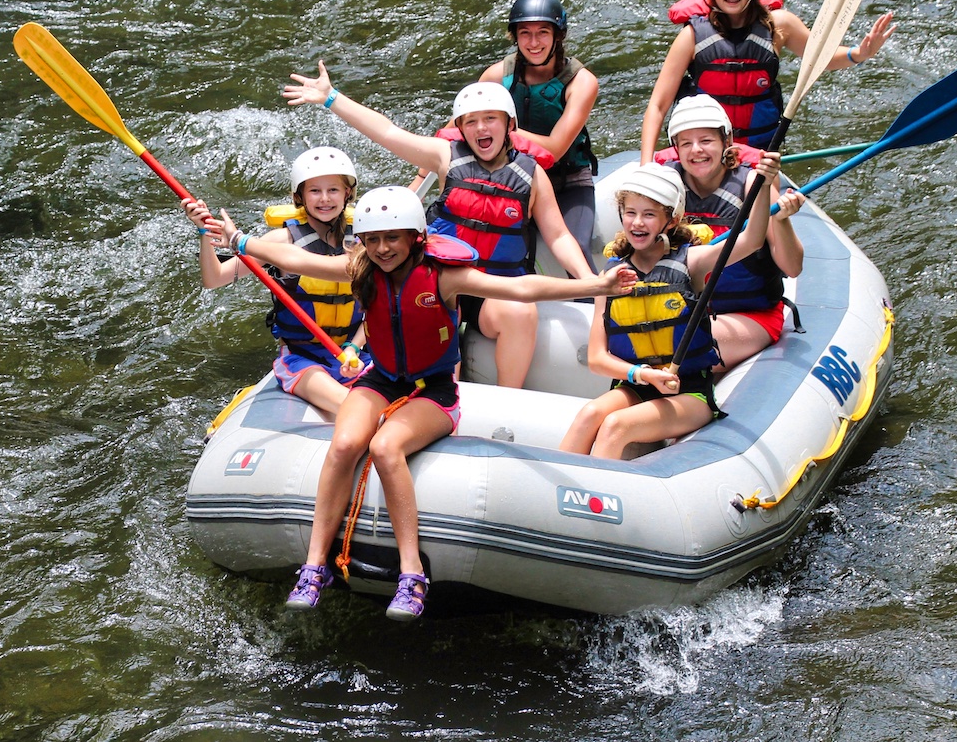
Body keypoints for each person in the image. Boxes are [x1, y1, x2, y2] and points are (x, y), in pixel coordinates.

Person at [207, 185, 636, 619]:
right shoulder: (361, 268)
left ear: (415, 236)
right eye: (372, 239)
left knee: (385, 447)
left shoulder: (444, 276)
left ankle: (412, 574)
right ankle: (315, 566)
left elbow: (521, 289)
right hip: (382, 380)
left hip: (433, 391)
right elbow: (301, 260)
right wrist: (240, 241)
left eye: (392, 237)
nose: (382, 248)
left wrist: (596, 284)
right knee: (343, 445)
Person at [284, 66, 597, 390]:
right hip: (442, 280)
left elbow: (559, 236)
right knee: (424, 301)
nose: (481, 128)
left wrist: (590, 281)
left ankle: (508, 397)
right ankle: (436, 398)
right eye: (471, 121)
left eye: (490, 118)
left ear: (509, 125)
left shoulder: (531, 174)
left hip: (496, 289)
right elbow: (388, 133)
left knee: (521, 312)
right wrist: (331, 98)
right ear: (460, 128)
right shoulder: (446, 156)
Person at [559, 156, 779, 460]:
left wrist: (764, 185)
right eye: (631, 213)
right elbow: (597, 358)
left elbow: (752, 240)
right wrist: (642, 374)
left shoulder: (693, 262)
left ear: (671, 220)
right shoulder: (610, 277)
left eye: (649, 214)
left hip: (690, 392)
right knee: (589, 414)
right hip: (637, 384)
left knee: (615, 425)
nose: (637, 222)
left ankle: (592, 504)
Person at [640, 0, 895, 161]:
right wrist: (646, 165)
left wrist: (859, 54)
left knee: (769, 199)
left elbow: (823, 59)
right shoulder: (691, 36)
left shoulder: (779, 25)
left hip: (758, 155)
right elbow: (658, 106)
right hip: (703, 156)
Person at [182, 146, 365, 418]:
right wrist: (203, 232)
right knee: (352, 408)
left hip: (358, 352)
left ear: (347, 193)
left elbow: (380, 304)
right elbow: (215, 279)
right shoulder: (280, 241)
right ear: (299, 196)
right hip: (305, 358)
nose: (324, 199)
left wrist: (355, 347)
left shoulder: (364, 238)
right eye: (314, 191)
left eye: (333, 190)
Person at [667, 94, 806, 371]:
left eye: (706, 141)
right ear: (676, 148)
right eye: (686, 143)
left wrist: (781, 220)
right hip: (688, 308)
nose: (696, 150)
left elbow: (792, 267)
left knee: (688, 339)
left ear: (726, 141)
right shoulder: (667, 186)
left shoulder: (753, 183)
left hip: (752, 313)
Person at [479, 0, 600, 267]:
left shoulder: (581, 82)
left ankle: (595, 307)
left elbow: (555, 149)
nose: (534, 43)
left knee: (577, 248)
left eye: (543, 32)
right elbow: (458, 128)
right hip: (514, 179)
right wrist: (419, 177)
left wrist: (500, 133)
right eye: (525, 33)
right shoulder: (496, 77)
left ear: (558, 35)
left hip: (567, 181)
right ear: (515, 37)